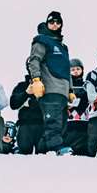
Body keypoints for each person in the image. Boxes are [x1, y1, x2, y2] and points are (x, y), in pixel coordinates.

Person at [26, 11, 73, 155]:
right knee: (53, 122)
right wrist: (36, 80)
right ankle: (56, 147)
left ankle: (43, 149)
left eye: (58, 22)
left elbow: (67, 70)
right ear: (47, 24)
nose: (55, 25)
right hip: (50, 87)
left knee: (62, 122)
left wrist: (70, 90)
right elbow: (34, 60)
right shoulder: (42, 40)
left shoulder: (63, 47)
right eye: (51, 22)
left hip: (62, 90)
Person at [9, 72, 46, 155]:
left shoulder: (47, 86)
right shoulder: (22, 86)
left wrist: (29, 103)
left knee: (43, 151)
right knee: (24, 150)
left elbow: (50, 104)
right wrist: (26, 93)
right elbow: (13, 104)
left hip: (43, 124)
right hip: (25, 124)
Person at [65, 59, 89, 156]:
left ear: (82, 70)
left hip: (83, 118)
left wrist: (78, 101)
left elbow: (88, 99)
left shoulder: (86, 85)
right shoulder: (66, 85)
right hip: (69, 119)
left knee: (83, 144)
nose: (75, 71)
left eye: (78, 69)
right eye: (73, 69)